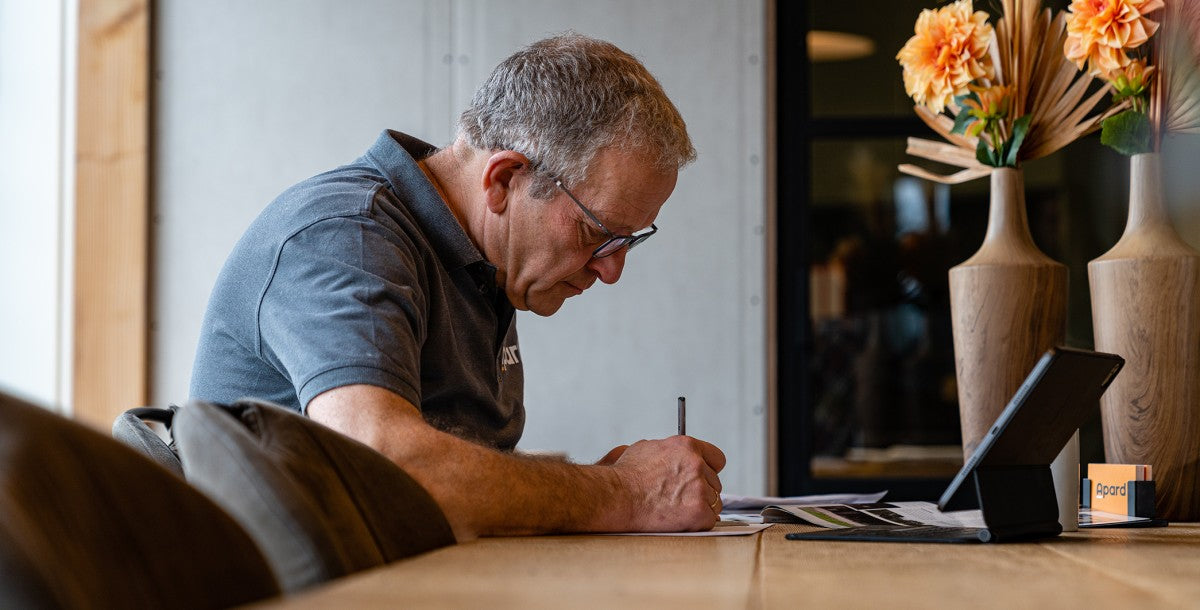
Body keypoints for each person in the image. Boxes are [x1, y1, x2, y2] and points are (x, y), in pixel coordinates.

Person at [189, 33, 725, 540]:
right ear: (504, 180)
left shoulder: (484, 262)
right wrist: (624, 493)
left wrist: (603, 490)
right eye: (594, 232)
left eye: (629, 241)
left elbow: (448, 486)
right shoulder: (346, 237)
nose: (611, 270)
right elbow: (386, 467)